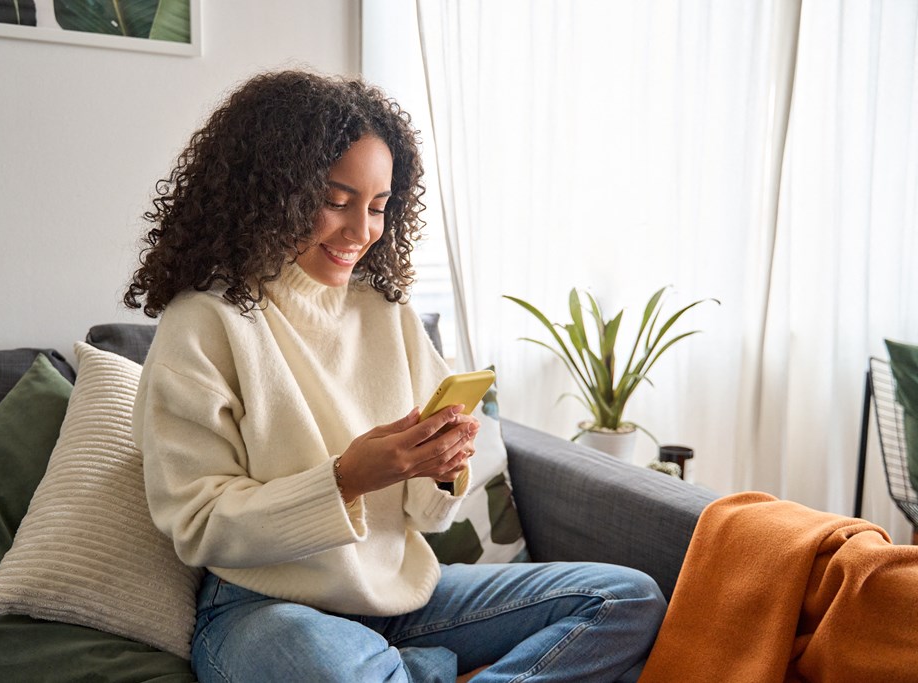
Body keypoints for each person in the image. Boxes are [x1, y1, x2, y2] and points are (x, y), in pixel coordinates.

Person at [125, 69, 665, 683]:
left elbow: (430, 517)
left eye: (379, 206)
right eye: (336, 202)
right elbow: (198, 526)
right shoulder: (205, 321)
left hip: (400, 599)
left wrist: (440, 464)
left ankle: (406, 669)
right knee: (318, 665)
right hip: (267, 612)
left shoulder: (387, 314)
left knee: (626, 599)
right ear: (270, 191)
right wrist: (348, 478)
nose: (362, 232)